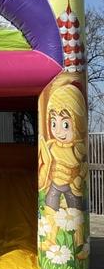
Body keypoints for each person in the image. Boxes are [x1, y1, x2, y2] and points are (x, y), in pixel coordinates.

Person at [39, 83, 87, 252]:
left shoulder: (77, 148)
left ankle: (79, 244)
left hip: (71, 185)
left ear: (77, 124)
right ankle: (51, 240)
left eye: (65, 124)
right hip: (55, 183)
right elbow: (45, 162)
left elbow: (83, 166)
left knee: (76, 210)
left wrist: (79, 177)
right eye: (54, 123)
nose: (58, 131)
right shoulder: (51, 145)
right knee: (50, 207)